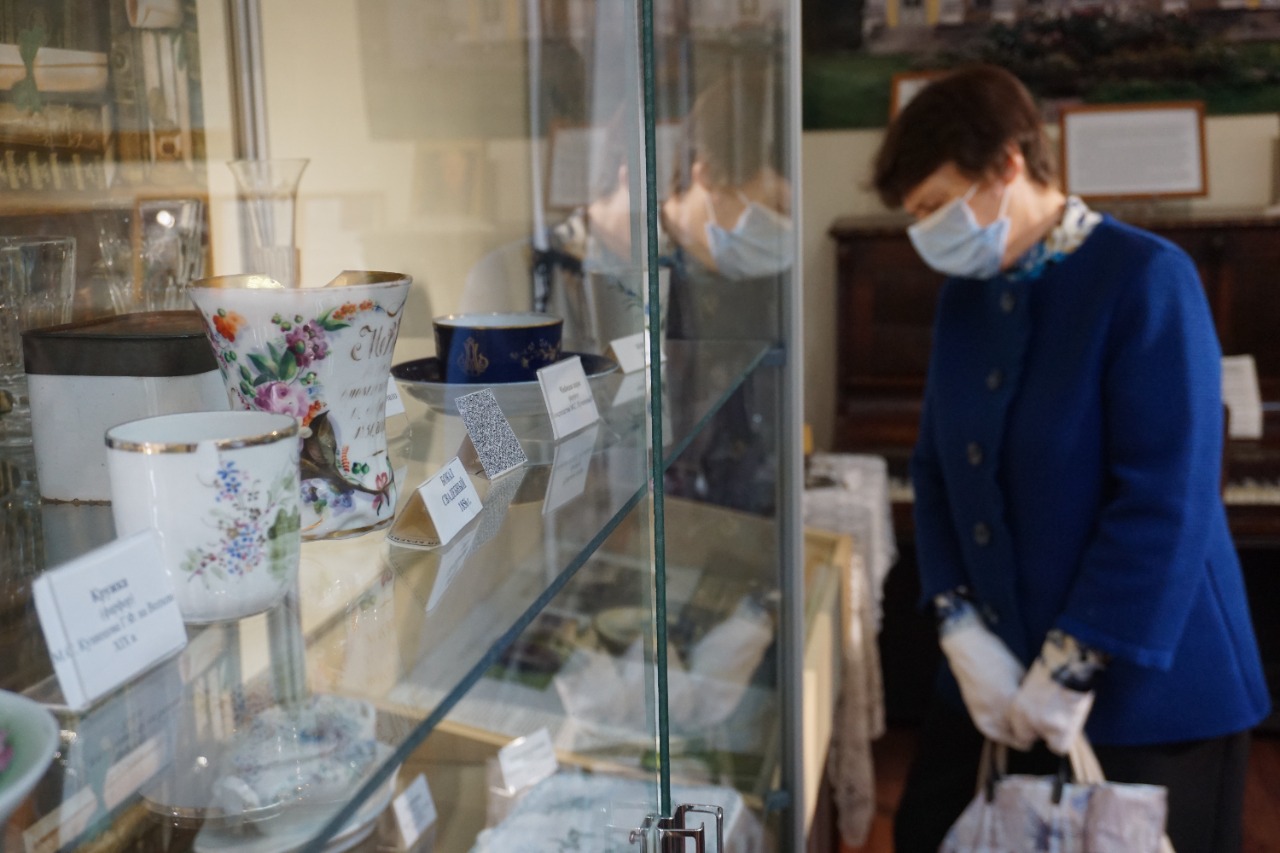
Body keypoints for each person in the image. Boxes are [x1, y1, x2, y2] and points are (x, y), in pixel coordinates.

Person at [870, 64, 1270, 853]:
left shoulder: (1147, 277)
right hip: (994, 674)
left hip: (1144, 689)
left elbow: (1167, 497)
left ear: (1008, 165)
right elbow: (936, 467)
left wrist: (1076, 660)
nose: (925, 233)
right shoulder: (966, 296)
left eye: (936, 206)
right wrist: (958, 624)